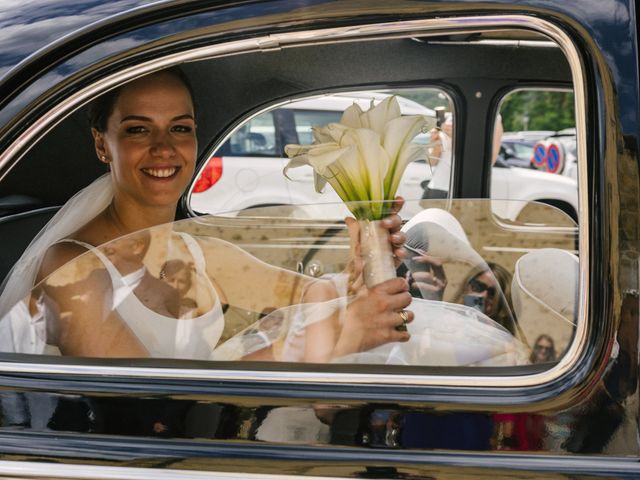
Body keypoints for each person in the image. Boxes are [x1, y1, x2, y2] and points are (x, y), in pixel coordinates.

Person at [0, 67, 413, 360]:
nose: (164, 148)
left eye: (180, 128)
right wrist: (338, 332)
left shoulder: (201, 254)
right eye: (138, 129)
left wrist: (365, 267)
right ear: (102, 144)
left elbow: (310, 297)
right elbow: (149, 413)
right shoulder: (74, 270)